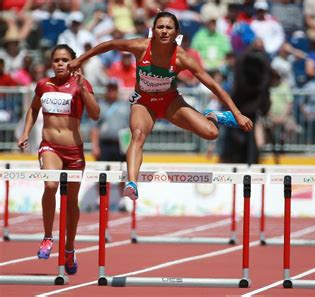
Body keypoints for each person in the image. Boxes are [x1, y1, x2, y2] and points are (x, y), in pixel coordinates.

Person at [68, 11, 253, 201]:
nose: (164, 31)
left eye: (168, 28)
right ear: (153, 30)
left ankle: (213, 116)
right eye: (160, 27)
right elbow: (109, 45)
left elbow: (213, 85)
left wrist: (236, 113)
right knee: (138, 136)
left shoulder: (182, 58)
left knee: (212, 133)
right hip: (144, 103)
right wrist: (80, 59)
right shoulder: (141, 47)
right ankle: (132, 183)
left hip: (170, 102)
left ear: (176, 33)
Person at [17, 44, 100, 275]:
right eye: (56, 60)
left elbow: (95, 114)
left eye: (65, 60)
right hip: (50, 146)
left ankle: (70, 248)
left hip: (74, 151)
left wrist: (83, 89)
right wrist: (25, 132)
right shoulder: (44, 84)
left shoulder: (81, 85)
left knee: (71, 202)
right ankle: (46, 237)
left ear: (74, 62)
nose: (60, 64)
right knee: (51, 185)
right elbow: (33, 109)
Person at [90, 79, 129, 211]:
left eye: (114, 89)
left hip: (120, 144)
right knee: (102, 172)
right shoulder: (100, 105)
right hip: (104, 144)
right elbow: (94, 128)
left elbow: (130, 127)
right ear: (107, 90)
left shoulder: (125, 106)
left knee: (122, 172)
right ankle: (99, 199)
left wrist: (129, 146)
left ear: (117, 90)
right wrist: (95, 146)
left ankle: (122, 200)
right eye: (110, 89)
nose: (112, 92)